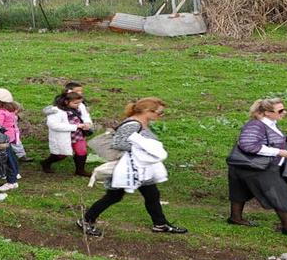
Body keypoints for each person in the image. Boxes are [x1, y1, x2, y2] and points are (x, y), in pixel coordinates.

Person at [77, 98, 186, 237]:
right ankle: (86, 220)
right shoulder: (132, 124)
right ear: (147, 111)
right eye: (159, 113)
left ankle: (160, 224)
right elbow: (118, 143)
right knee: (114, 196)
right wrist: (143, 148)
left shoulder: (143, 122)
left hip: (140, 168)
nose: (160, 116)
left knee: (152, 194)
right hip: (128, 168)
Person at [225, 98, 287, 236]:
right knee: (277, 192)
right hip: (256, 167)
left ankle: (235, 218)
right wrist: (278, 151)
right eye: (280, 110)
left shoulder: (271, 123)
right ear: (266, 112)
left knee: (239, 191)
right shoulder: (256, 125)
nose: (284, 112)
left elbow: (269, 140)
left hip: (245, 166)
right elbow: (248, 145)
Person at [40, 92, 92, 176]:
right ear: (66, 102)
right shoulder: (56, 111)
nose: (78, 105)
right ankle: (46, 163)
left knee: (82, 151)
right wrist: (76, 126)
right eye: (75, 103)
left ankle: (80, 170)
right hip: (63, 137)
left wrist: (87, 123)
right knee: (61, 154)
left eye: (79, 103)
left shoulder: (79, 106)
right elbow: (53, 125)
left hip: (78, 134)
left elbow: (85, 116)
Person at [0, 88, 22, 192]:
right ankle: (15, 175)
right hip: (10, 136)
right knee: (11, 156)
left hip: (2, 139)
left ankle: (11, 181)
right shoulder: (9, 109)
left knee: (8, 159)